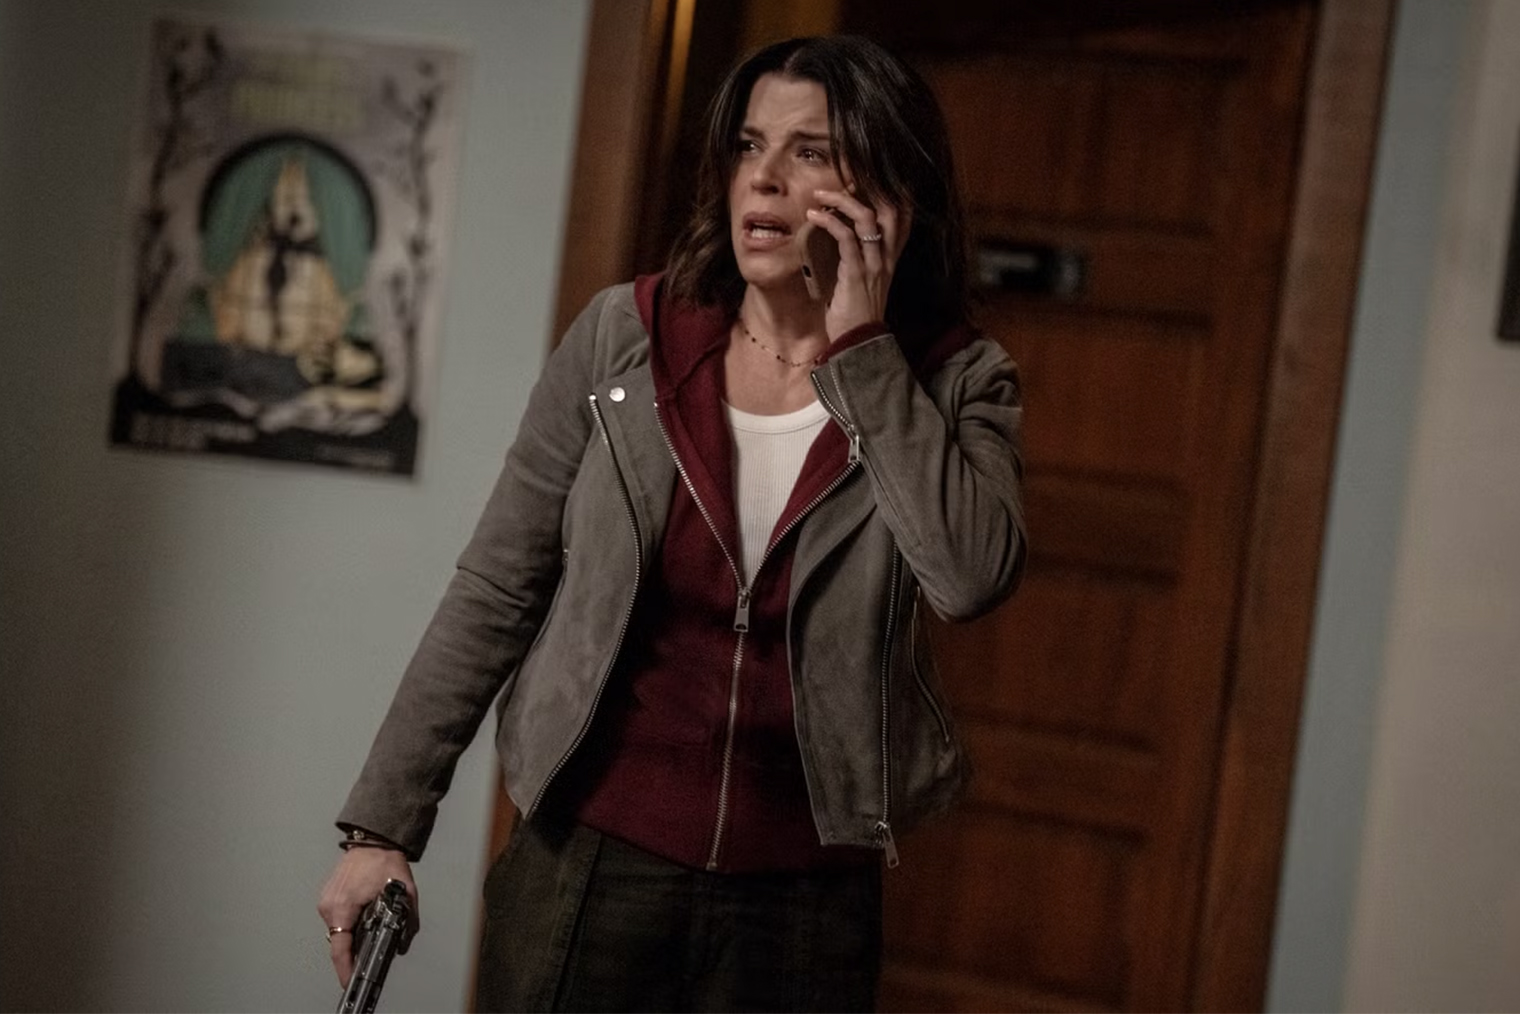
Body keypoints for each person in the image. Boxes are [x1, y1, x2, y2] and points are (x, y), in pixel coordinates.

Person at [318, 34, 1026, 1013]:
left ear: (888, 193)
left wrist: (864, 351)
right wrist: (382, 826)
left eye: (810, 152)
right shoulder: (629, 336)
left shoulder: (954, 380)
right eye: (748, 145)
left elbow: (970, 576)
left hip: (805, 904)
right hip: (587, 866)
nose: (763, 178)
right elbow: (497, 586)